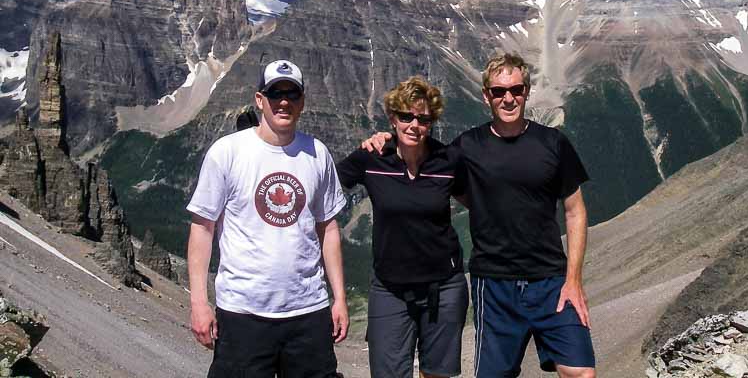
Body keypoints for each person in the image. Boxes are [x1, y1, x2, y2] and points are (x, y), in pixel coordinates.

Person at [364, 53, 596, 378]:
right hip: (494, 282)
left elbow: (575, 212)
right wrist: (386, 141)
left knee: (581, 372)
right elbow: (423, 157)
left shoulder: (553, 142)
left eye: (516, 89)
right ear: (486, 95)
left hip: (552, 280)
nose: (508, 98)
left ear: (526, 91)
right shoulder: (467, 147)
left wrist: (573, 281)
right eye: (499, 91)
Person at [187, 59, 348, 378]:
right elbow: (203, 229)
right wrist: (199, 304)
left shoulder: (318, 154)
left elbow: (328, 227)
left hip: (308, 311)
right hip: (242, 312)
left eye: (292, 94)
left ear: (302, 101)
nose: (284, 102)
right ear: (260, 99)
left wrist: (339, 297)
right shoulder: (227, 152)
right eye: (276, 94)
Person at [337, 76, 468, 378]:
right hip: (390, 288)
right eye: (406, 116)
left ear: (431, 122)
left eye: (423, 119)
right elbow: (323, 183)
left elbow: (479, 201)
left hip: (444, 286)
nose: (414, 125)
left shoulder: (447, 161)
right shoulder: (371, 158)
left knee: (436, 374)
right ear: (392, 118)